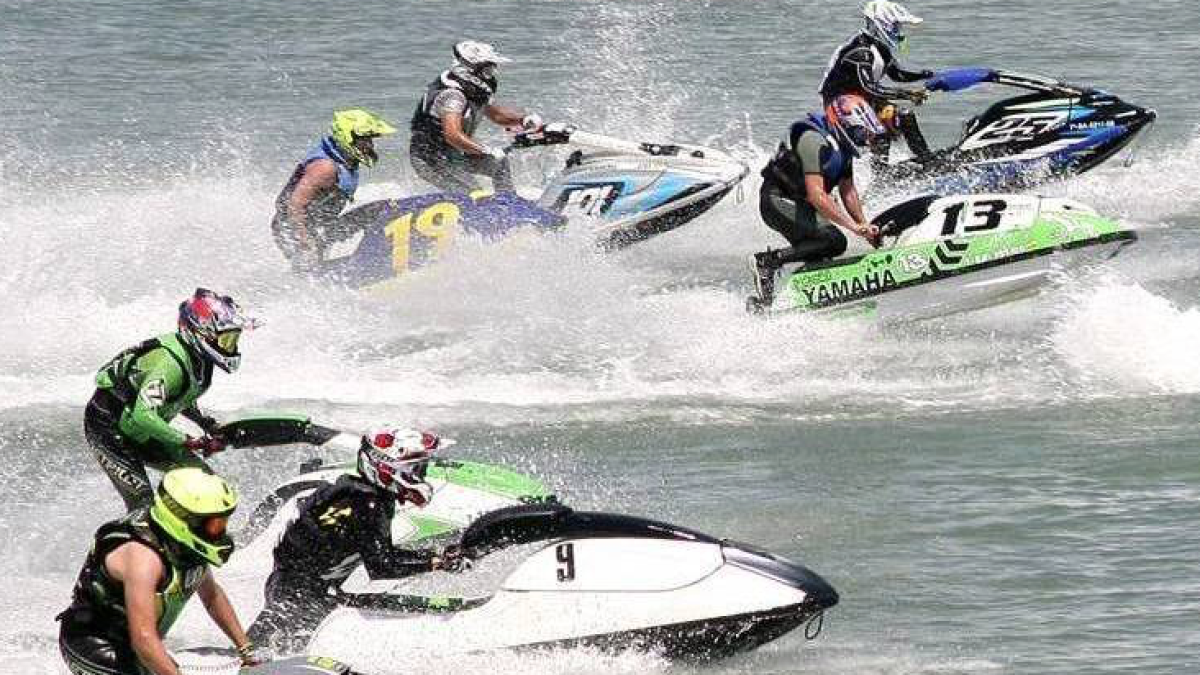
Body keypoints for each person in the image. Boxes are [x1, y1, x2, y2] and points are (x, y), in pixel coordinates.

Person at [247, 426, 468, 653]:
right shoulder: (370, 504)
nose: (421, 475)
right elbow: (382, 567)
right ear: (387, 469)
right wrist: (436, 564)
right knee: (267, 654)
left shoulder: (355, 491)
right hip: (300, 598)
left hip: (297, 588)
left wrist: (435, 555)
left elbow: (380, 552)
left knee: (266, 649)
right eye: (418, 468)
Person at [58, 468, 261, 675]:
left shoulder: (184, 548)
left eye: (223, 521)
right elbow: (143, 638)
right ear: (183, 518)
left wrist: (246, 649)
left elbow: (211, 596)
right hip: (92, 643)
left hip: (136, 644)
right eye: (215, 524)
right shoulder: (144, 559)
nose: (221, 531)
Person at [85, 288, 256, 511]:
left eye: (234, 339)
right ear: (201, 332)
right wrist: (187, 440)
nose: (231, 347)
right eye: (226, 339)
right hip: (108, 430)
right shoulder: (170, 364)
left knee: (206, 482)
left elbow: (178, 395)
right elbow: (143, 414)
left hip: (143, 430)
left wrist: (207, 424)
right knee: (143, 505)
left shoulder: (199, 361)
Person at [748, 95, 885, 308]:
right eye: (862, 131)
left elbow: (848, 190)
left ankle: (775, 304)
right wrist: (853, 228)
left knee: (821, 258)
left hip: (798, 203)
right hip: (777, 201)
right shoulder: (813, 139)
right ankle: (768, 262)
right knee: (834, 241)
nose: (866, 138)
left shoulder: (844, 149)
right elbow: (817, 195)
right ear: (845, 124)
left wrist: (864, 224)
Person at [409, 40, 544, 194]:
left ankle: (509, 204)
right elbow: (452, 135)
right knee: (474, 192)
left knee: (499, 163)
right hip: (431, 159)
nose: (491, 75)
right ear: (470, 69)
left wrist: (523, 120)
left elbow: (497, 115)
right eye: (488, 70)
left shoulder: (472, 91)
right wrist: (485, 150)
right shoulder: (453, 95)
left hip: (455, 154)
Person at [272, 109, 397, 272]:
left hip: (322, 225)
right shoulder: (325, 168)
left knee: (383, 209)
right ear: (348, 137)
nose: (370, 145)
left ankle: (383, 253)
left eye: (370, 140)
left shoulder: (345, 158)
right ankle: (306, 279)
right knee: (310, 267)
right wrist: (305, 241)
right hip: (292, 229)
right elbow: (295, 205)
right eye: (365, 140)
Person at [818, 0, 933, 160]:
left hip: (863, 99)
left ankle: (927, 160)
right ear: (879, 25)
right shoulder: (860, 51)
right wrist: (908, 95)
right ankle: (880, 174)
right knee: (878, 131)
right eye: (895, 26)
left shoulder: (881, 49)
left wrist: (928, 75)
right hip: (840, 102)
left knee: (905, 116)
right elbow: (870, 88)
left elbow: (897, 75)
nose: (898, 32)